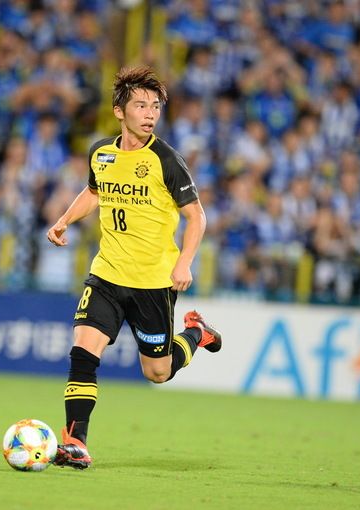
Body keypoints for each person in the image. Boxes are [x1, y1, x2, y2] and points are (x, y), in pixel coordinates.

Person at [45, 66, 223, 469]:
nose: (150, 114)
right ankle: (75, 442)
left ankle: (196, 332)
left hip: (153, 283)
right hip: (107, 274)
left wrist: (184, 263)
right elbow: (94, 192)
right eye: (141, 105)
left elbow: (197, 216)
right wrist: (64, 220)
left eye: (155, 106)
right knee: (83, 349)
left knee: (157, 372)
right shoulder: (101, 153)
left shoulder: (166, 160)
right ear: (119, 111)